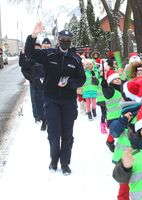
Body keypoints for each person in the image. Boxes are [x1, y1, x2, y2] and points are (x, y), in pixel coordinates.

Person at [25, 22, 86, 175]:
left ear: (70, 41)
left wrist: (69, 83)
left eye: (68, 39)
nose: (65, 41)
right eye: (63, 38)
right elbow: (30, 54)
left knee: (67, 134)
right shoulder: (49, 54)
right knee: (53, 133)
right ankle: (54, 160)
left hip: (68, 102)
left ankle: (65, 163)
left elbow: (82, 79)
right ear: (58, 40)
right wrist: (33, 35)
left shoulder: (76, 59)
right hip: (51, 99)